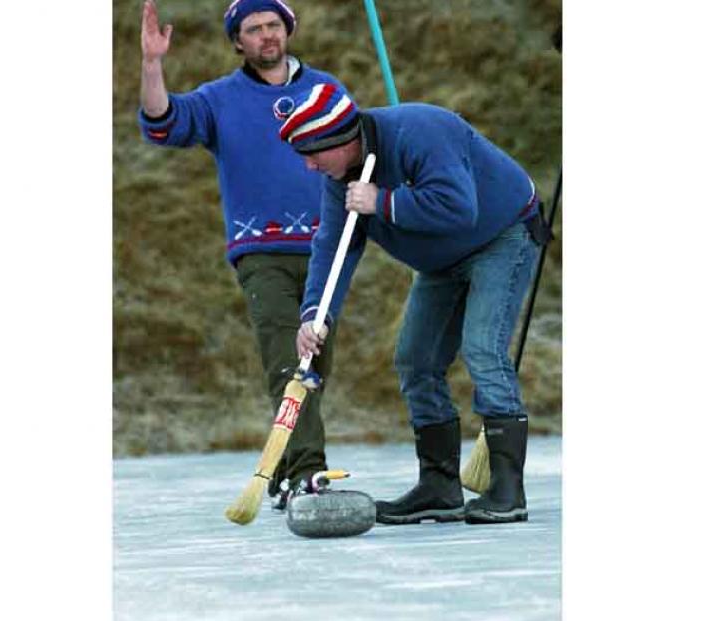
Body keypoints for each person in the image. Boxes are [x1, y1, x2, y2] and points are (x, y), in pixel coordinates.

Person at [280, 83, 552, 525]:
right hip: (440, 260)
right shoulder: (341, 180)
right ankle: (439, 485)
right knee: (415, 359)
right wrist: (316, 314)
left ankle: (507, 488)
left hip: (502, 236)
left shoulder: (419, 131)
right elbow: (334, 246)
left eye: (312, 154)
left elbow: (458, 207)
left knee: (482, 346)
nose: (309, 166)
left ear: (339, 140)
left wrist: (382, 202)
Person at [138, 0, 349, 508]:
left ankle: (280, 469)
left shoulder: (326, 90)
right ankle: (307, 473)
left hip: (329, 249)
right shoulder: (220, 99)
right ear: (238, 41)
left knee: (316, 366)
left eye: (273, 25)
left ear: (287, 29)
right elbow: (163, 123)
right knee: (288, 362)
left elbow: (358, 148)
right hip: (262, 252)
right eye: (253, 29)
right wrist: (152, 65)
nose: (265, 35)